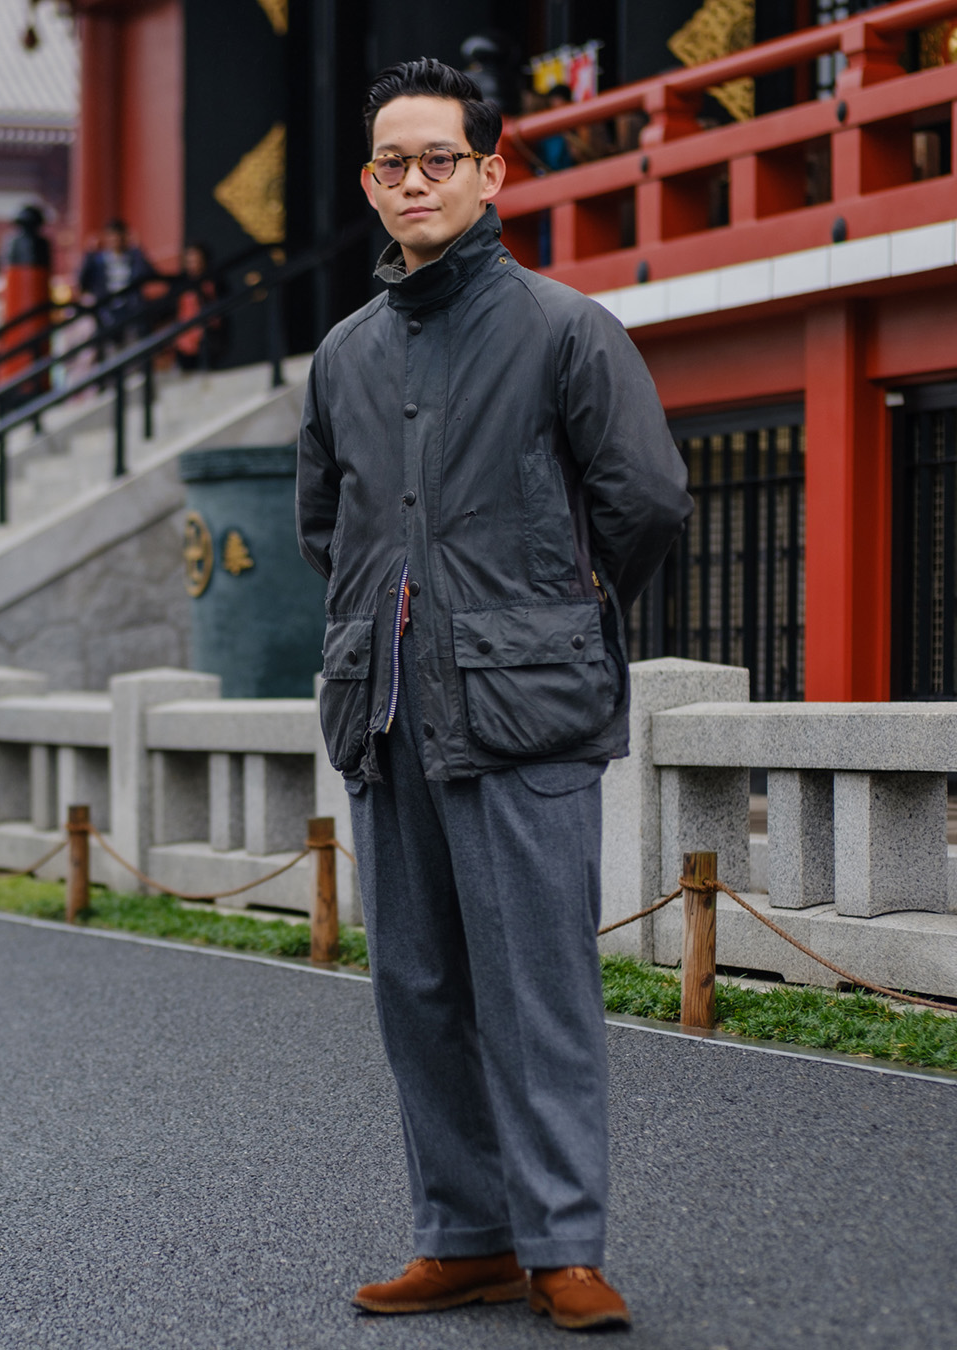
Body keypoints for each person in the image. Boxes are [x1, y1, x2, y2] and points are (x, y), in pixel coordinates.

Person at [296, 58, 691, 1332]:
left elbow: (647, 502)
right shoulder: (343, 357)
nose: (415, 181)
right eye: (393, 163)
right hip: (387, 708)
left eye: (440, 159)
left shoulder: (567, 330)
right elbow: (326, 527)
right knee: (417, 987)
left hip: (524, 710)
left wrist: (551, 616)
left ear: (491, 171)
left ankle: (562, 1244)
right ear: (371, 184)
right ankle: (464, 1235)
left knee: (536, 989)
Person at [77, 218, 154, 342]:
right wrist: (89, 253)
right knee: (108, 345)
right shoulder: (98, 260)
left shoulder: (133, 258)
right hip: (106, 311)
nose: (115, 240)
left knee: (134, 344)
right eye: (111, 236)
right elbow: (83, 282)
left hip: (131, 309)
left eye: (118, 236)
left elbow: (148, 274)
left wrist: (138, 249)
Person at [172, 242, 224, 372]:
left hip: (208, 339)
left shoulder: (214, 282)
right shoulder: (181, 284)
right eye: (189, 261)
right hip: (184, 340)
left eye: (196, 260)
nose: (193, 264)